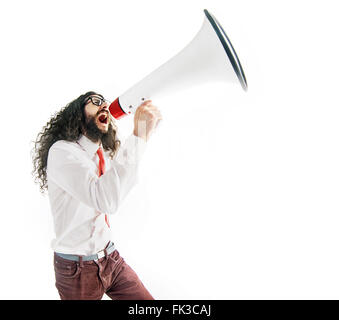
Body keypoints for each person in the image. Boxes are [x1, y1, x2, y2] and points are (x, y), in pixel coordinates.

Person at [32, 91, 162, 300]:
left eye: (106, 104)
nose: (104, 106)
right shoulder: (62, 152)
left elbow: (121, 187)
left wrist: (145, 134)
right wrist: (138, 136)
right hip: (77, 270)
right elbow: (105, 200)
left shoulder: (104, 153)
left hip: (111, 258)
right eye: (95, 101)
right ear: (77, 113)